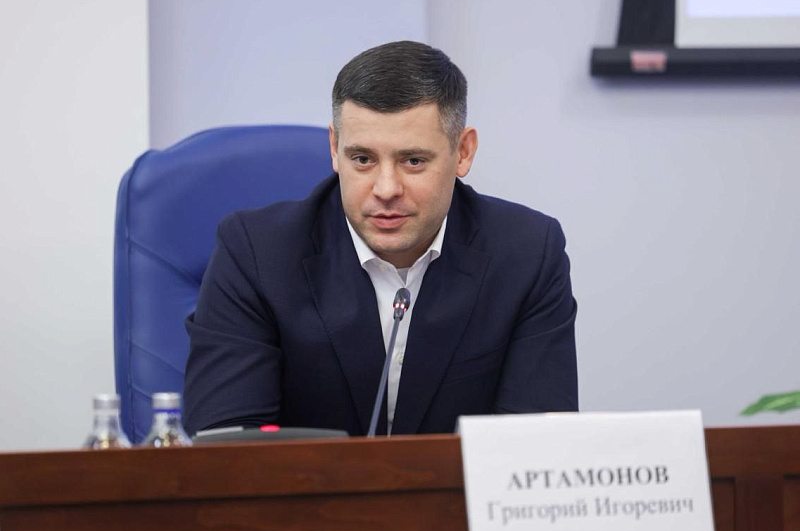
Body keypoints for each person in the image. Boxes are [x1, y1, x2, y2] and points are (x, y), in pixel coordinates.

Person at [183, 41, 577, 436]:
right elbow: (227, 445)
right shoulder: (256, 253)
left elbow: (534, 448)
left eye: (413, 161)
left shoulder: (527, 254)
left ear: (463, 152)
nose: (386, 189)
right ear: (335, 149)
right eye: (363, 160)